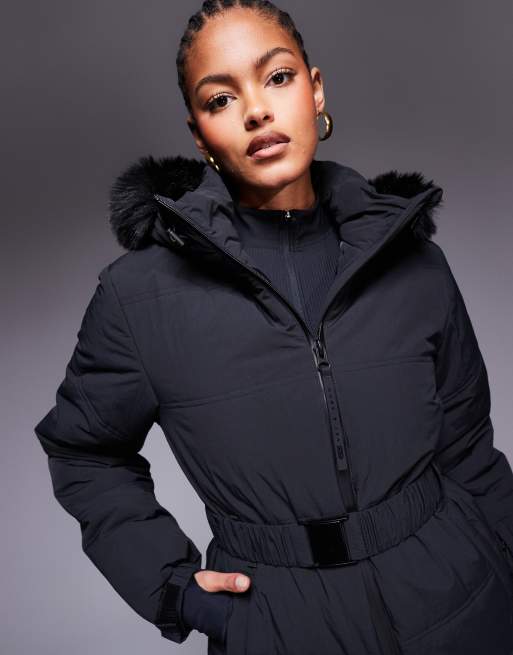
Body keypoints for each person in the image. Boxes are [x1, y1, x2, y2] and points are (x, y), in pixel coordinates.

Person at [34, 1, 513, 654]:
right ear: (200, 136)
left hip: (467, 605)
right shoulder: (137, 296)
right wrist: (175, 587)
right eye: (221, 98)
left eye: (277, 77)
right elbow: (84, 451)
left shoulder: (414, 263)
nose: (256, 110)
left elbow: (469, 448)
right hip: (279, 627)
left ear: (315, 91)